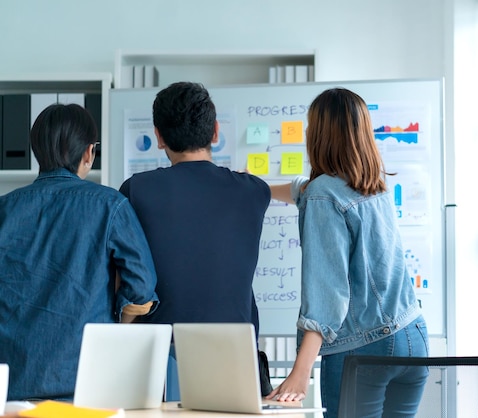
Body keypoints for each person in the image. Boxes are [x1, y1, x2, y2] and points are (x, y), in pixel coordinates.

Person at [266, 88, 430, 418]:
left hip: (363, 349)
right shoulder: (373, 185)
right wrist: (251, 187)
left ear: (319, 135)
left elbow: (328, 293)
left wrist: (300, 373)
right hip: (412, 338)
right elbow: (302, 187)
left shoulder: (323, 196)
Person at [118, 82, 271, 393]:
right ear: (215, 132)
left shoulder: (137, 190)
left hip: (157, 355)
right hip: (235, 355)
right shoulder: (254, 191)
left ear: (158, 137)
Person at [0, 103, 159, 401]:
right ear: (89, 152)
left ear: (36, 151)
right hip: (87, 384)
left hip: (12, 386)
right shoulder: (111, 206)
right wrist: (114, 326)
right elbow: (141, 290)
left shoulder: (4, 209)